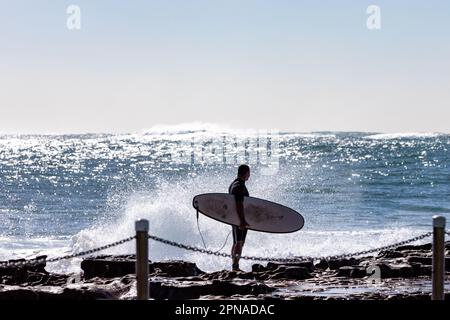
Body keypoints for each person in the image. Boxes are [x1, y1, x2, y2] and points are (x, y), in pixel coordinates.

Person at [228, 164, 250, 271]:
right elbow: (239, 203)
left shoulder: (234, 184)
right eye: (249, 173)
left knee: (237, 242)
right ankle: (235, 267)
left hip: (235, 218)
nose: (249, 176)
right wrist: (242, 220)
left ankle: (234, 265)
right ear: (246, 173)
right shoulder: (239, 186)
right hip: (239, 219)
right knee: (239, 242)